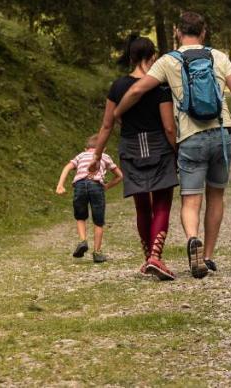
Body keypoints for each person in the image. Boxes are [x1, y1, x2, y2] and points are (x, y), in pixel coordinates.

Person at [92, 11, 231, 279]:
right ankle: (208, 256)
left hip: (190, 137)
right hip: (222, 133)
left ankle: (192, 238)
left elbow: (138, 90)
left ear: (177, 32)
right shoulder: (218, 56)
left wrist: (118, 112)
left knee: (190, 199)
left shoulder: (168, 61)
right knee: (216, 196)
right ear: (204, 32)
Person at [90, 36, 179, 281]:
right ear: (152, 57)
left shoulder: (118, 87)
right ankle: (155, 256)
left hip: (131, 147)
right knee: (162, 202)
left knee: (142, 205)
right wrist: (176, 151)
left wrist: (97, 156)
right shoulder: (160, 86)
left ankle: (149, 258)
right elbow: (169, 127)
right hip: (158, 145)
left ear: (130, 57)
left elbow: (107, 125)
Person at [55, 135, 121, 264]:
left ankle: (83, 240)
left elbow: (67, 167)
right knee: (98, 221)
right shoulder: (105, 156)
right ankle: (97, 253)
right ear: (104, 149)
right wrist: (107, 186)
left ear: (86, 149)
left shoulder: (81, 155)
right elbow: (120, 176)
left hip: (79, 185)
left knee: (80, 217)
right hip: (96, 186)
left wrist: (60, 185)